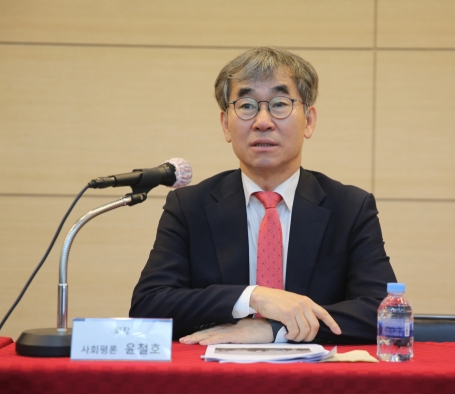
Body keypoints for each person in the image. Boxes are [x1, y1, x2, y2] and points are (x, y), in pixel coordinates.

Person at [130, 47, 396, 345]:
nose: (263, 121)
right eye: (246, 106)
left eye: (280, 104)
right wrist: (252, 297)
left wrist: (272, 330)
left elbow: (382, 312)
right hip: (217, 379)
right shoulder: (189, 207)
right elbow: (148, 306)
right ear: (225, 125)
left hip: (313, 382)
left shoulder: (350, 207)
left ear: (308, 121)